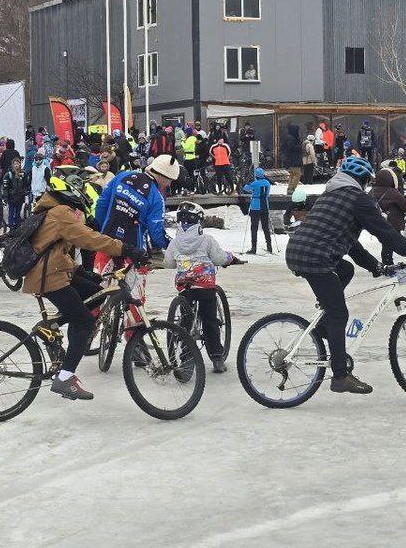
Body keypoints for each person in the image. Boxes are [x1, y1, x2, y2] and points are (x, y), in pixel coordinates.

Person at [285, 156, 406, 395]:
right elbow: (387, 234)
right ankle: (340, 377)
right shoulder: (357, 199)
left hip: (299, 251)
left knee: (346, 269)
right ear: (361, 180)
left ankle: (324, 326)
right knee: (339, 313)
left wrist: (374, 266)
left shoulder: (330, 195)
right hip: (316, 257)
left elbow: (351, 244)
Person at [23, 178, 148, 401]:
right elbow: (89, 238)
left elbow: (53, 251)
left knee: (94, 294)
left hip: (54, 271)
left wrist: (80, 271)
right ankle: (65, 377)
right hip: (48, 277)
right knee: (84, 321)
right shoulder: (60, 212)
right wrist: (124, 248)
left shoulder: (51, 209)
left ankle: (52, 327)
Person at [164, 202, 242, 373]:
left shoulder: (175, 243)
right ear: (199, 221)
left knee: (185, 323)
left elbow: (168, 263)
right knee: (210, 321)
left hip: (186, 288)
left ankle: (186, 360)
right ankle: (217, 358)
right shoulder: (207, 240)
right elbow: (219, 258)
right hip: (205, 287)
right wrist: (230, 258)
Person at [93, 154, 176, 265]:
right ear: (162, 175)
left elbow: (102, 204)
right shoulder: (157, 198)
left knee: (100, 280)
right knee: (129, 282)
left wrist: (100, 228)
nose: (169, 184)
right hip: (134, 252)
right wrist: (175, 247)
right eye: (170, 180)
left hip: (106, 242)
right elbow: (156, 233)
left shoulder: (122, 176)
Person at [371, 166, 406, 267]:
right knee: (396, 243)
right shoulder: (393, 192)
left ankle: (387, 260)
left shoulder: (372, 191)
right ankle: (389, 262)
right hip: (393, 222)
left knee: (386, 243)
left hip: (377, 222)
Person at [242, 167, 273, 254]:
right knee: (266, 227)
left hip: (255, 206)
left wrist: (246, 183)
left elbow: (246, 188)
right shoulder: (267, 183)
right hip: (265, 206)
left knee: (254, 228)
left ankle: (254, 248)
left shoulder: (255, 183)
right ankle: (269, 246)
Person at [280, 123, 303, 195]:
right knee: (297, 174)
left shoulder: (288, 138)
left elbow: (285, 149)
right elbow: (290, 148)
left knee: (292, 174)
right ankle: (292, 189)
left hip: (291, 159)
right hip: (294, 159)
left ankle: (290, 189)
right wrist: (299, 147)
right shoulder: (292, 139)